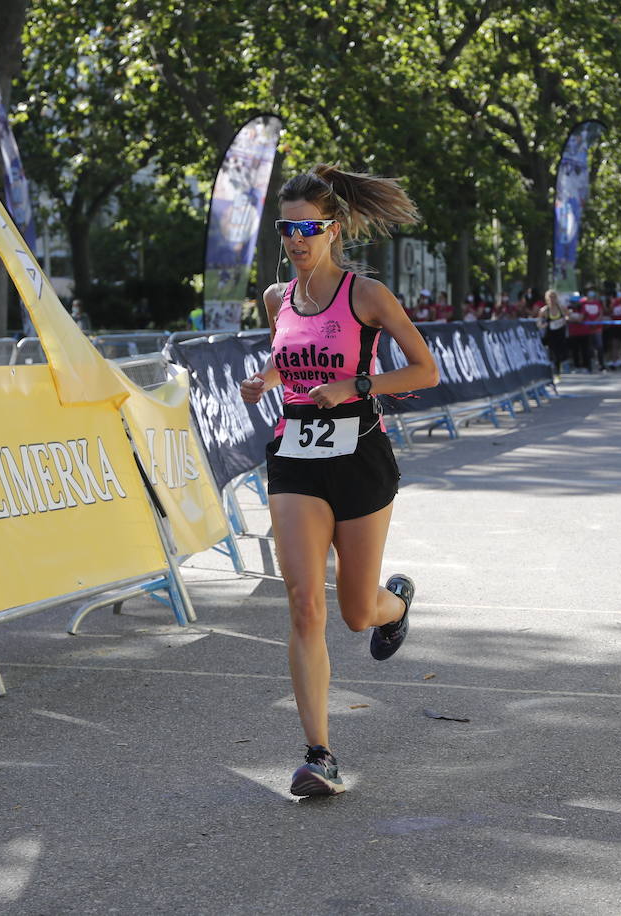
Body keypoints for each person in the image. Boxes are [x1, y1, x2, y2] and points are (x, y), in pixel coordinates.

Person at [239, 165, 438, 797]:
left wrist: (355, 385)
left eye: (307, 228)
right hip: (296, 454)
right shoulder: (277, 299)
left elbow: (425, 371)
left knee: (356, 613)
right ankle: (318, 754)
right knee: (303, 603)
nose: (296, 240)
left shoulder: (367, 296)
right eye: (287, 228)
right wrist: (266, 381)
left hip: (360, 454)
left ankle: (396, 603)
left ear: (333, 231)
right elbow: (290, 355)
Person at [538, 289, 569, 373]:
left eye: (554, 297)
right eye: (550, 297)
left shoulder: (561, 308)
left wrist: (564, 320)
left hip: (561, 333)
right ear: (547, 299)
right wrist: (545, 325)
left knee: (561, 351)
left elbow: (567, 316)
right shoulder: (544, 310)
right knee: (553, 352)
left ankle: (561, 367)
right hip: (551, 334)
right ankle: (555, 370)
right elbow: (539, 324)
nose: (552, 299)